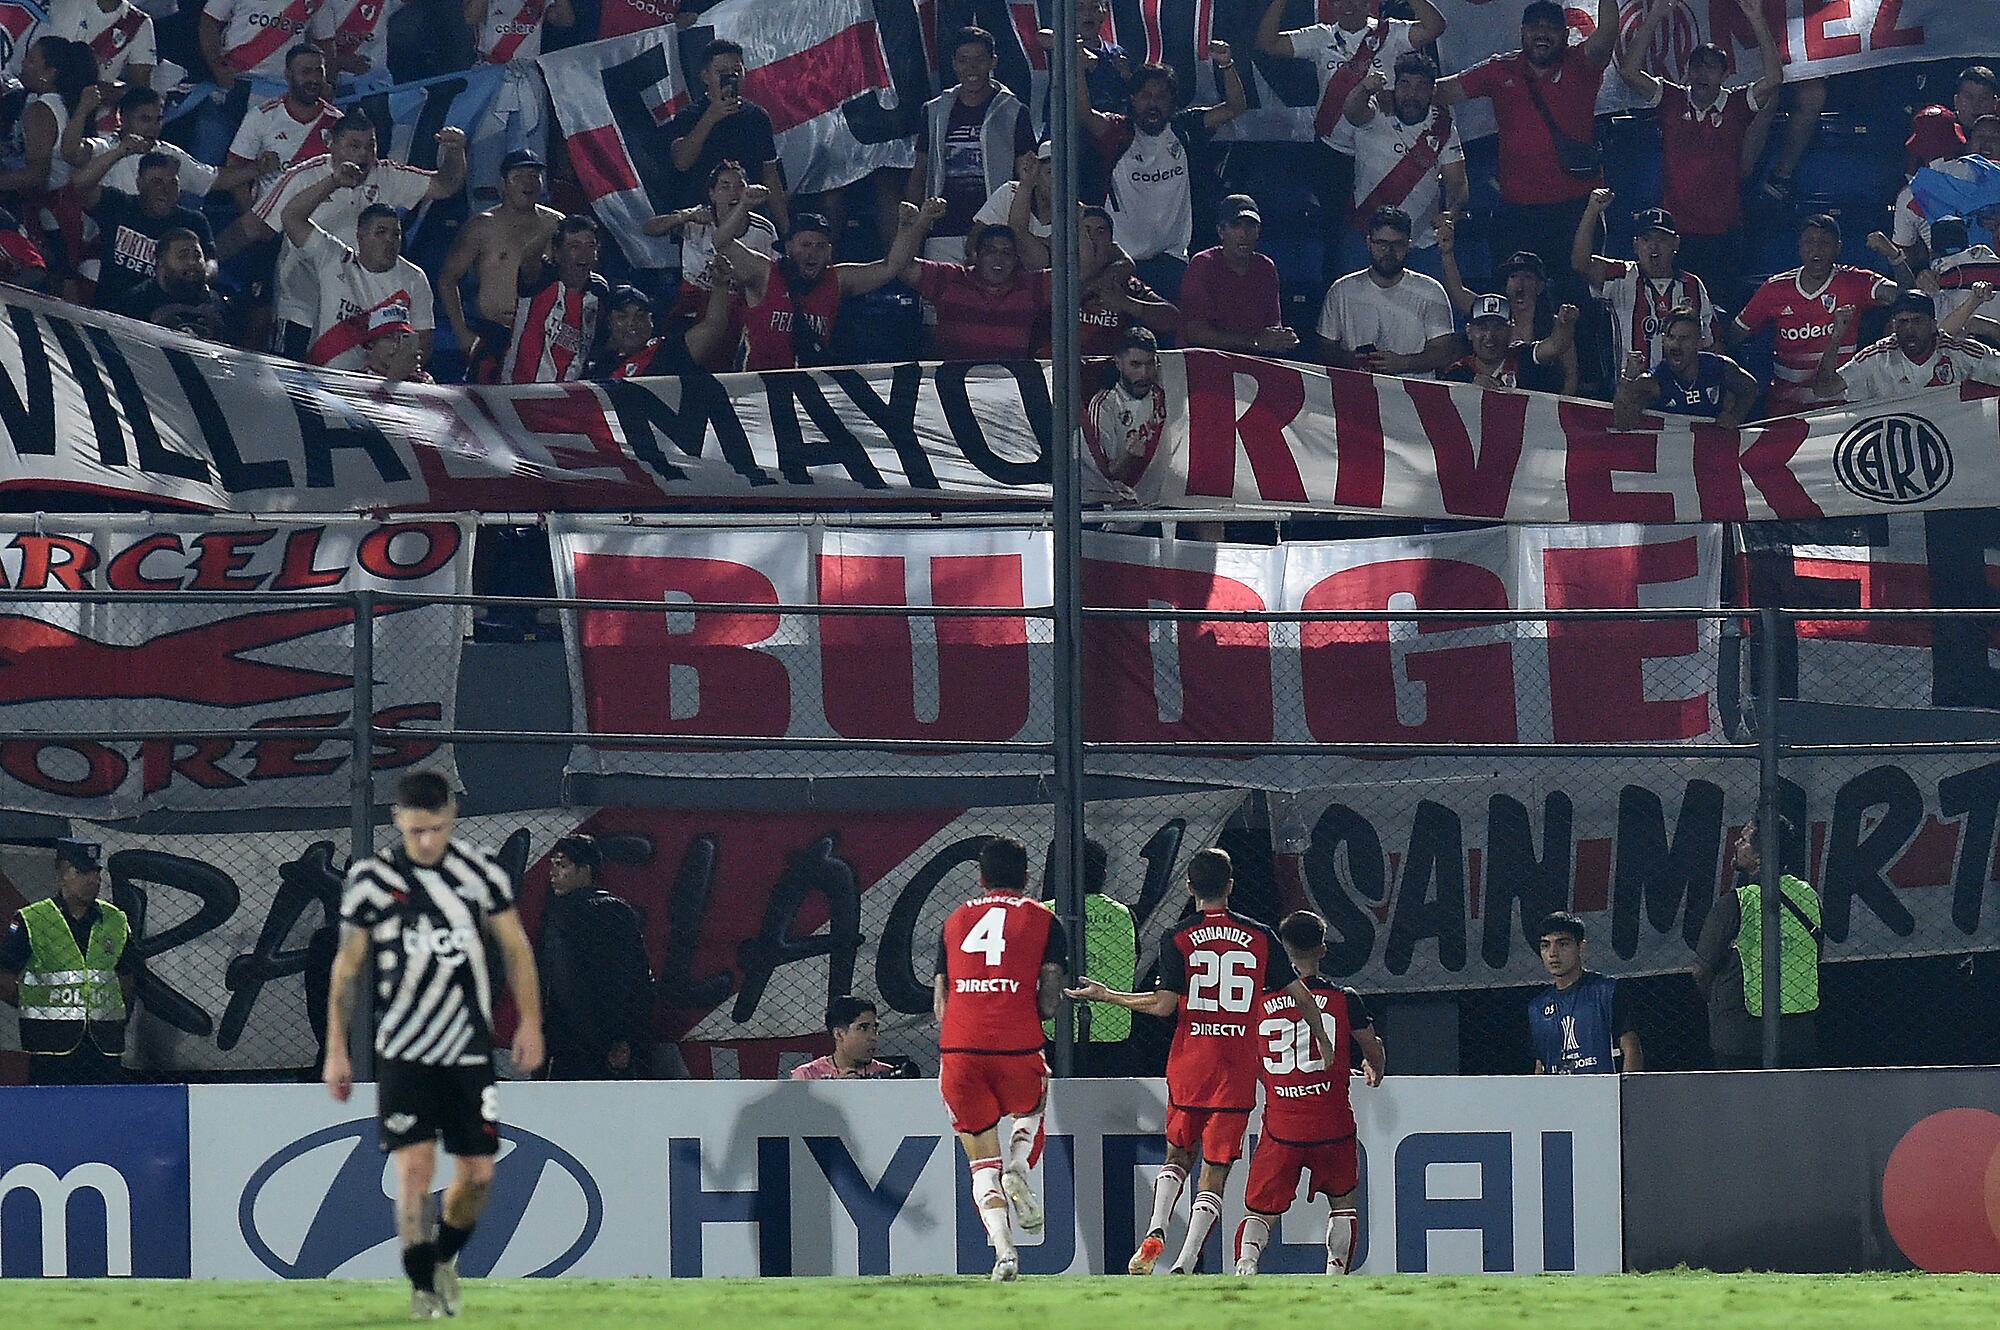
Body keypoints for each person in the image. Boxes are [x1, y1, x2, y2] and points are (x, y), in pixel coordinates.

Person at [323, 770, 545, 1321]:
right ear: (398, 819)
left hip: (468, 1048)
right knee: (414, 1171)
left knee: (478, 1175)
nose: (427, 841)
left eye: (438, 828)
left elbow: (516, 947)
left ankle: (443, 1258)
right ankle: (423, 1290)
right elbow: (346, 968)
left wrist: (530, 1023)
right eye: (418, 829)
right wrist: (336, 1048)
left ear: (452, 817)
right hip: (403, 1049)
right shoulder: (371, 880)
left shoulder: (479, 874)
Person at [1066, 847, 1333, 1277]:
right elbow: (1301, 995)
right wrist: (1323, 1042)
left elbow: (1162, 1006)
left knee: (1177, 1155)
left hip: (1191, 1063)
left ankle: (1156, 1228)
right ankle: (1187, 1261)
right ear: (1230, 886)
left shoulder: (1177, 936)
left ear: (1190, 888)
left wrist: (1108, 995)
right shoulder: (1261, 936)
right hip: (1236, 1067)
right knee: (1216, 1169)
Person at [934, 836, 1069, 1282]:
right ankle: (1019, 1166)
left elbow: (941, 1001)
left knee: (978, 1164)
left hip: (959, 1047)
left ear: (981, 877)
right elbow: (1049, 1002)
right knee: (1033, 1105)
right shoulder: (1044, 920)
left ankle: (1005, 1254)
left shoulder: (954, 920)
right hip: (1015, 1043)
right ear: (1026, 877)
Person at [1232, 910, 1385, 1277]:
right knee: (1343, 1203)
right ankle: (1334, 1275)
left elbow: (1246, 1059)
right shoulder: (1344, 999)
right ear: (1323, 949)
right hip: (1332, 1125)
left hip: (1283, 1127)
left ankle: (1246, 1264)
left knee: (1260, 1212)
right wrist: (1374, 1066)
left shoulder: (1257, 1002)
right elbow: (1371, 1046)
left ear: (1281, 949)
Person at [1434, 0, 1619, 297]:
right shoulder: (1501, 69)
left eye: (1551, 27)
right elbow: (1443, 91)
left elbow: (1608, 34)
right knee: (1514, 300)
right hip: (1518, 212)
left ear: (1566, 33)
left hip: (1575, 210)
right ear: (1522, 32)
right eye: (1535, 27)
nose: (1542, 33)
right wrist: (1392, 91)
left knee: (1578, 299)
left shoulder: (1581, 64)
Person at [243, 112, 464, 360]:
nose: (363, 155)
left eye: (371, 146)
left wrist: (455, 153)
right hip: (301, 306)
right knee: (293, 382)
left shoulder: (387, 175)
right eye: (354, 146)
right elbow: (256, 227)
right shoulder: (303, 177)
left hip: (358, 310)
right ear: (332, 144)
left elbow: (444, 185)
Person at [1255, 0, 1446, 284]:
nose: (1348, 5)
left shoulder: (1390, 33)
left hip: (1382, 151)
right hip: (1334, 155)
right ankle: (1338, 302)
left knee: (1389, 232)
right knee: (1338, 237)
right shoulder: (1320, 36)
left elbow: (1436, 27)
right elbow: (1267, 43)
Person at [1616, 0, 1783, 304]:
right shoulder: (1671, 99)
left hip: (1724, 233)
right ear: (1687, 70)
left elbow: (1773, 79)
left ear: (1725, 75)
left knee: (1717, 311)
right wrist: (1653, 17)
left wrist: (1757, 19)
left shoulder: (1736, 105)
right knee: (1674, 312)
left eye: (1711, 66)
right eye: (1697, 65)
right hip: (1676, 233)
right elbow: (1629, 71)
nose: (1702, 72)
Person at [1076, 49, 1247, 301]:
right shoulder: (1116, 132)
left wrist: (1227, 64)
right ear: (1133, 99)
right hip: (1120, 259)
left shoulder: (1185, 129)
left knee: (1173, 332)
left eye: (1161, 97)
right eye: (1146, 96)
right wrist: (1077, 68)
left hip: (1172, 259)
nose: (1153, 103)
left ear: (1172, 102)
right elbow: (1084, 114)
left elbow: (1236, 107)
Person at [722, 200, 939, 372]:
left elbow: (892, 267)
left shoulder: (837, 280)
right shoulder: (765, 273)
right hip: (755, 387)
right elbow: (721, 241)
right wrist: (743, 205)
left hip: (808, 391)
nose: (812, 252)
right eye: (805, 245)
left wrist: (907, 228)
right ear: (788, 248)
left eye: (820, 246)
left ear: (829, 252)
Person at [0, 838, 136, 1085]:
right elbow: (5, 975)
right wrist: (33, 1003)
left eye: (96, 873)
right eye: (82, 872)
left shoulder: (115, 920)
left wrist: (116, 1015)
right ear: (62, 873)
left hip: (104, 1045)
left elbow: (126, 974)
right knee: (51, 1114)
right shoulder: (32, 920)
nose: (93, 880)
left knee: (104, 1112)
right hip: (50, 1046)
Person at [1729, 215, 1895, 417]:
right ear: (1799, 247)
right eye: (1809, 242)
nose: (1816, 250)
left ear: (1838, 248)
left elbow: (1906, 297)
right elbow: (1733, 336)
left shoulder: (1854, 281)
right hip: (1786, 407)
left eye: (1824, 243)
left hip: (1841, 406)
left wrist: (1895, 256)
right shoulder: (1775, 289)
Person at [1691, 819, 1820, 1070]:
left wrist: (1716, 999)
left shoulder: (1736, 903)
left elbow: (1701, 970)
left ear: (1760, 855)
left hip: (1740, 1037)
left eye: (1744, 840)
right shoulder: (1808, 896)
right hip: (1798, 1034)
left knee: (1743, 1106)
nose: (1737, 844)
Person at [280, 162, 434, 369]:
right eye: (380, 232)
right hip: (322, 382)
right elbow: (291, 216)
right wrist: (333, 182)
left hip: (379, 389)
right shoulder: (334, 257)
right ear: (360, 236)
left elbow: (422, 343)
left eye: (395, 234)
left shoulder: (414, 278)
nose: (390, 240)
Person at [1332, 52, 1466, 281]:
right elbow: (1351, 112)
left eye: (1421, 86)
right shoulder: (1375, 110)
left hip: (1421, 243)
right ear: (1395, 85)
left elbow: (1459, 184)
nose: (1412, 94)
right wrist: (1365, 87)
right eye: (1405, 85)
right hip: (1367, 238)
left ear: (1433, 91)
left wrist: (1450, 214)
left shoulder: (1443, 127)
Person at [910, 26, 1033, 262]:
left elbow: (1025, 177)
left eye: (979, 60)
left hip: (996, 230)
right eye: (964, 60)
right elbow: (920, 172)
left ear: (993, 62)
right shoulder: (934, 110)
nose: (972, 68)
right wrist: (915, 225)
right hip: (943, 228)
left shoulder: (1014, 111)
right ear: (954, 64)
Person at [536, 833, 653, 1080]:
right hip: (619, 1043)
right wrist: (623, 1039)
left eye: (562, 865)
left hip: (566, 1043)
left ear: (585, 869)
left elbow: (565, 984)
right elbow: (640, 980)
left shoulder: (560, 917)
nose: (553, 874)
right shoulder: (621, 912)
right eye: (553, 865)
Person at [439, 148, 562, 384]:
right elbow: (447, 278)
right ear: (503, 184)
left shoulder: (556, 223)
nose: (528, 183)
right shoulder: (482, 226)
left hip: (544, 335)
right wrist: (462, 333)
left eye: (533, 176)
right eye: (519, 177)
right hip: (492, 332)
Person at [643, 158, 777, 369]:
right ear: (712, 194)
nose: (733, 192)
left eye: (739, 186)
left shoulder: (763, 229)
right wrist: (684, 217)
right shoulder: (696, 220)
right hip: (693, 300)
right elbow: (649, 228)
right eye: (725, 186)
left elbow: (770, 278)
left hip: (738, 303)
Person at [1573, 194, 1717, 374]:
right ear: (1635, 245)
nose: (1653, 247)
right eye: (1647, 239)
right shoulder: (1622, 276)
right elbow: (1581, 263)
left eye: (1662, 239)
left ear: (1676, 243)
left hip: (1681, 394)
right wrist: (1592, 211)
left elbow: (1711, 344)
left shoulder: (1692, 285)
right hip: (1632, 389)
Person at [71, 135, 214, 310]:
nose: (166, 189)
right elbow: (79, 185)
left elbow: (212, 262)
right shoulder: (119, 204)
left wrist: (198, 274)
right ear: (139, 184)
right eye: (156, 182)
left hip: (168, 318)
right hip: (112, 313)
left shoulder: (193, 222)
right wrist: (119, 152)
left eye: (173, 183)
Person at [1315, 205, 1458, 374]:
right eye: (1381, 244)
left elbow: (1443, 352)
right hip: (1358, 390)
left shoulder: (1431, 291)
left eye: (1397, 245)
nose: (1389, 252)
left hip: (1413, 394)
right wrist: (1355, 361)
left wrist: (1403, 363)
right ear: (1368, 242)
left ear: (1408, 245)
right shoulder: (1341, 291)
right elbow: (1324, 349)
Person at [1039, 838, 1138, 1075]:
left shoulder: (1044, 913)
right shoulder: (1124, 915)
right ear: (1103, 875)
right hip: (1112, 1033)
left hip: (1056, 1031)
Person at [1440, 227, 1578, 394]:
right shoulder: (1487, 309)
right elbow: (1458, 291)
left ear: (1540, 286)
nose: (1520, 284)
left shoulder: (1553, 325)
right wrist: (1447, 254)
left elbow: (1564, 360)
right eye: (1513, 277)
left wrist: (1556, 412)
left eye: (1527, 277)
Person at [666, 38, 785, 232]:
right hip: (702, 220)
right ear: (705, 76)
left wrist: (784, 228)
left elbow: (770, 174)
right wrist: (710, 117)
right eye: (722, 72)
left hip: (750, 220)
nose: (731, 76)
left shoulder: (757, 117)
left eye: (737, 71)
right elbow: (681, 162)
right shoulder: (688, 116)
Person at [463, 0, 572, 201]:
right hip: (490, 77)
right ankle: (485, 216)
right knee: (485, 153)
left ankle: (532, 213)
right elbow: (469, 17)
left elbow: (565, 20)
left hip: (529, 79)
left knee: (530, 151)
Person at [214, 43, 339, 210]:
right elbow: (235, 168)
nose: (314, 79)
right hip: (273, 219)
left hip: (325, 217)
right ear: (288, 75)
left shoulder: (338, 121)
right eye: (306, 72)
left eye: (319, 72)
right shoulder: (261, 116)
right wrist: (253, 216)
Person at [1814, 288, 2000, 401]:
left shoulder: (1959, 351)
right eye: (1903, 322)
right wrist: (1836, 337)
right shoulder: (1877, 356)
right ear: (1894, 325)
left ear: (1933, 324)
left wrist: (1993, 330)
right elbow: (1823, 389)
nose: (1910, 329)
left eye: (1917, 321)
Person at [905, 221, 1051, 362]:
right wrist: (921, 222)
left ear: (1016, 259)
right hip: (954, 382)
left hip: (1009, 383)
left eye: (1006, 253)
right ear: (976, 255)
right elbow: (903, 266)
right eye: (990, 251)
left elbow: (1071, 276)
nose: (998, 259)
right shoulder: (950, 279)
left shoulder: (1031, 286)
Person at [1180, 193, 1296, 355]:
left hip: (1252, 363)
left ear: (1258, 231)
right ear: (1221, 231)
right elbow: (1196, 332)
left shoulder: (1266, 268)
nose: (1244, 233)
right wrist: (1253, 341)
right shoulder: (1203, 264)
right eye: (1236, 225)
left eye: (1250, 225)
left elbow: (1272, 326)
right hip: (1207, 362)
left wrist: (1280, 338)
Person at [1526, 912, 1641, 1075]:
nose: (1553, 953)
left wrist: (1628, 1095)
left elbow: (1631, 1047)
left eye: (1563, 944)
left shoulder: (1607, 990)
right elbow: (1541, 1064)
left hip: (1604, 1092)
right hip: (1559, 1095)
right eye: (1545, 945)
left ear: (1581, 947)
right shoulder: (1537, 1007)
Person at [64, 87, 219, 207]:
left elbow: (213, 179)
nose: (153, 128)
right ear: (122, 119)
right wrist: (83, 110)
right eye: (145, 119)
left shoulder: (167, 153)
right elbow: (71, 154)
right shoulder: (105, 146)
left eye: (158, 120)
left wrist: (243, 163)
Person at [500, 212, 607, 383]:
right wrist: (546, 231)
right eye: (574, 246)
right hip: (521, 390)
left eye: (590, 246)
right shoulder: (542, 278)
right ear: (557, 252)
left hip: (570, 393)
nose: (583, 254)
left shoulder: (599, 289)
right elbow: (527, 261)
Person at [1613, 305, 1759, 428]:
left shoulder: (1719, 367)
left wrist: (1735, 417)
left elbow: (1750, 388)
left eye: (1684, 339)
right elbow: (1623, 423)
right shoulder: (1654, 381)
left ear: (1699, 343)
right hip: (1672, 456)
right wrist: (1628, 379)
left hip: (1712, 452)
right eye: (1671, 337)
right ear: (1663, 341)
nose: (1676, 345)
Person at [1082, 326, 1167, 495]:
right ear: (1118, 363)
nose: (1144, 373)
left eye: (1150, 364)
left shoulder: (1165, 397)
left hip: (1163, 500)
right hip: (1121, 508)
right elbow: (1104, 477)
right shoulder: (1104, 405)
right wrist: (1130, 456)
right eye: (1135, 365)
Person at [1443, 292, 1577, 390]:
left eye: (1498, 327)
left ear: (1511, 330)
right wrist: (1469, 387)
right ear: (1469, 332)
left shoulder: (1523, 357)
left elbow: (1556, 346)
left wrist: (1565, 324)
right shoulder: (1457, 374)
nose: (1489, 336)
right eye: (1482, 328)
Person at [115, 224, 225, 338]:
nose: (192, 262)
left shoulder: (214, 303)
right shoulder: (136, 302)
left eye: (197, 256)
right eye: (183, 256)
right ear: (161, 264)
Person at [39, 0, 155, 107]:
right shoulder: (67, 3)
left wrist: (110, 92)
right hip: (47, 100)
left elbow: (140, 92)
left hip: (97, 116)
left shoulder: (138, 23)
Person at [201, 0, 325, 91]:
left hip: (285, 87)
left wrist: (325, 83)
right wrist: (217, 66)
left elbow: (324, 41)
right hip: (236, 80)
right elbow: (209, 21)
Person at [977, 139, 1053, 268]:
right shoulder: (1009, 193)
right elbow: (974, 242)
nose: (1056, 180)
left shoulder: (1079, 214)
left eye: (1064, 173)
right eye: (1050, 172)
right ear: (1036, 174)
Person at [310, 0, 405, 95]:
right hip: (337, 87)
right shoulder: (322, 4)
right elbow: (322, 54)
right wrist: (341, 61)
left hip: (378, 84)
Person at [792, 995, 896, 1080]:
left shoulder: (888, 1075)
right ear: (839, 1034)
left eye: (875, 1029)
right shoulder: (807, 1076)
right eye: (863, 1028)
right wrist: (839, 1090)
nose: (873, 1037)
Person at [362, 303, 431, 384]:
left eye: (403, 337)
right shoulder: (354, 379)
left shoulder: (422, 380)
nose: (396, 343)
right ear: (371, 343)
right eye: (388, 337)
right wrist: (394, 377)